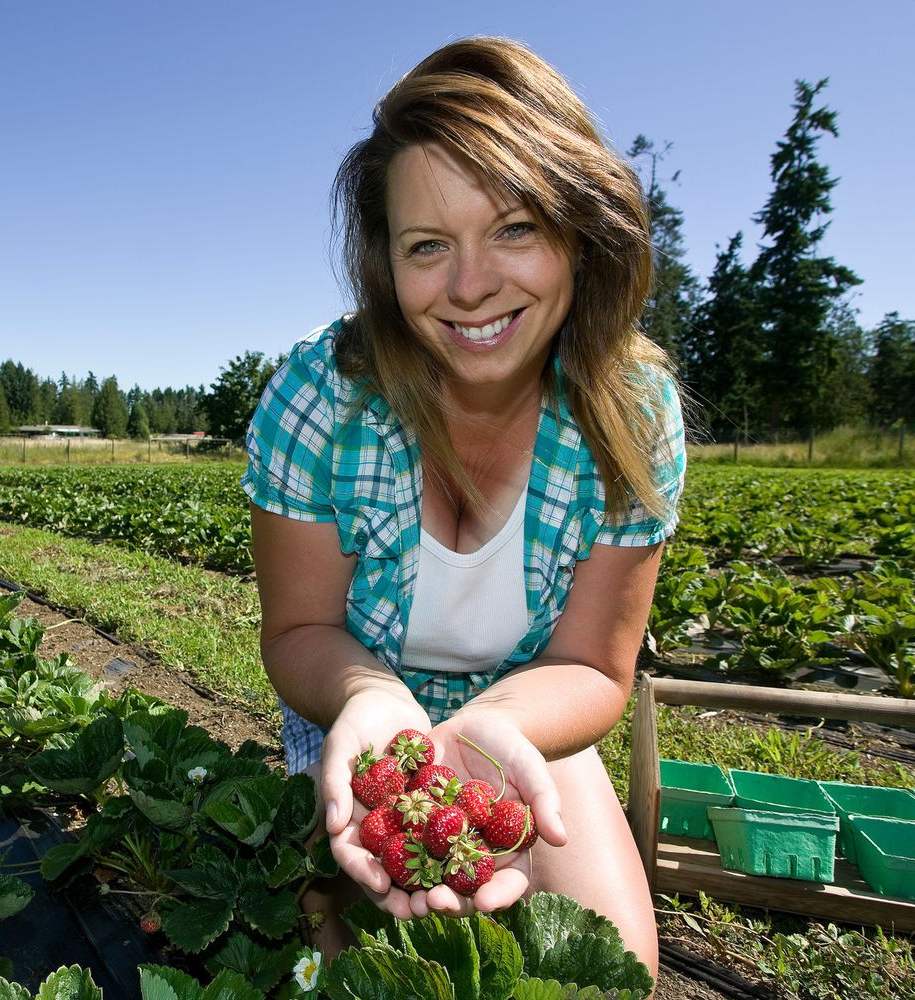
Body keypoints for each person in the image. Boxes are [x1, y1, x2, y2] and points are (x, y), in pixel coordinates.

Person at [241, 36, 685, 979]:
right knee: (342, 961)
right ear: (384, 263)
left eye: (514, 228)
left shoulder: (631, 413)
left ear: (581, 228)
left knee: (615, 973)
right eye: (428, 246)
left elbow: (593, 668)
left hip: (525, 718)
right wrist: (371, 699)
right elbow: (300, 631)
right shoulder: (322, 396)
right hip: (356, 710)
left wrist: (496, 727)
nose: (471, 284)